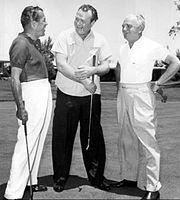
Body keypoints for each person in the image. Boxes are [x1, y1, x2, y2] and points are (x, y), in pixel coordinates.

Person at [112, 14, 180, 200]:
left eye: (129, 26)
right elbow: (119, 67)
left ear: (140, 29)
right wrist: (119, 88)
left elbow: (175, 63)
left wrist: (158, 84)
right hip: (124, 93)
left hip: (142, 93)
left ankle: (153, 187)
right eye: (123, 25)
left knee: (148, 141)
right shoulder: (123, 47)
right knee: (126, 139)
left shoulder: (152, 45)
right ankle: (128, 178)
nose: (124, 29)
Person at [51, 4, 112, 192]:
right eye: (76, 18)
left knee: (93, 138)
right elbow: (61, 65)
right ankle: (60, 178)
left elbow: (106, 66)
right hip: (67, 94)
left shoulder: (100, 40)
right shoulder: (64, 36)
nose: (78, 23)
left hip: (91, 97)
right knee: (63, 138)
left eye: (83, 21)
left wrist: (94, 70)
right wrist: (85, 81)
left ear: (93, 22)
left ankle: (96, 178)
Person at [4, 6, 52, 200]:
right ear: (33, 23)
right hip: (31, 95)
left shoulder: (34, 42)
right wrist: (21, 107)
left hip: (41, 92)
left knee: (38, 139)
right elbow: (14, 78)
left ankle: (30, 182)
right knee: (26, 142)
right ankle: (13, 192)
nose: (45, 23)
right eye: (43, 20)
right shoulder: (20, 43)